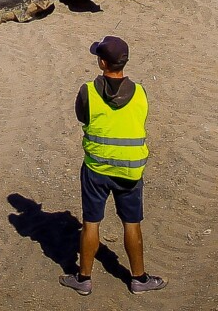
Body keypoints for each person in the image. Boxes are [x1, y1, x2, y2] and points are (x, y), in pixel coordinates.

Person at [61, 36, 166, 295]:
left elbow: (82, 117)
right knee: (132, 223)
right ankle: (139, 279)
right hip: (130, 169)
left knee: (91, 222)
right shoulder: (140, 92)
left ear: (102, 62)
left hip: (96, 168)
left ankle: (84, 279)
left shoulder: (87, 91)